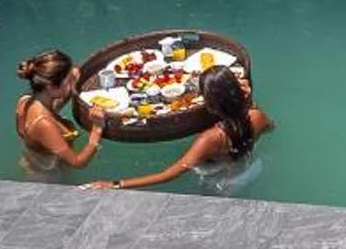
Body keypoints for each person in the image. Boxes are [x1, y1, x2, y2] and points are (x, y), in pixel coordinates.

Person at [87, 64, 271, 191]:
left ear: (210, 106)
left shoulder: (210, 139)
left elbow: (168, 174)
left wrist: (115, 184)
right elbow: (270, 128)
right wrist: (250, 103)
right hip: (252, 169)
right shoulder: (257, 116)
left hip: (223, 183)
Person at [14, 49, 106, 175]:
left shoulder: (26, 101)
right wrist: (97, 128)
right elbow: (78, 163)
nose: (71, 82)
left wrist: (70, 78)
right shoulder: (44, 124)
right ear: (50, 86)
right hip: (49, 174)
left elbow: (54, 107)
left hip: (34, 161)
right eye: (68, 81)